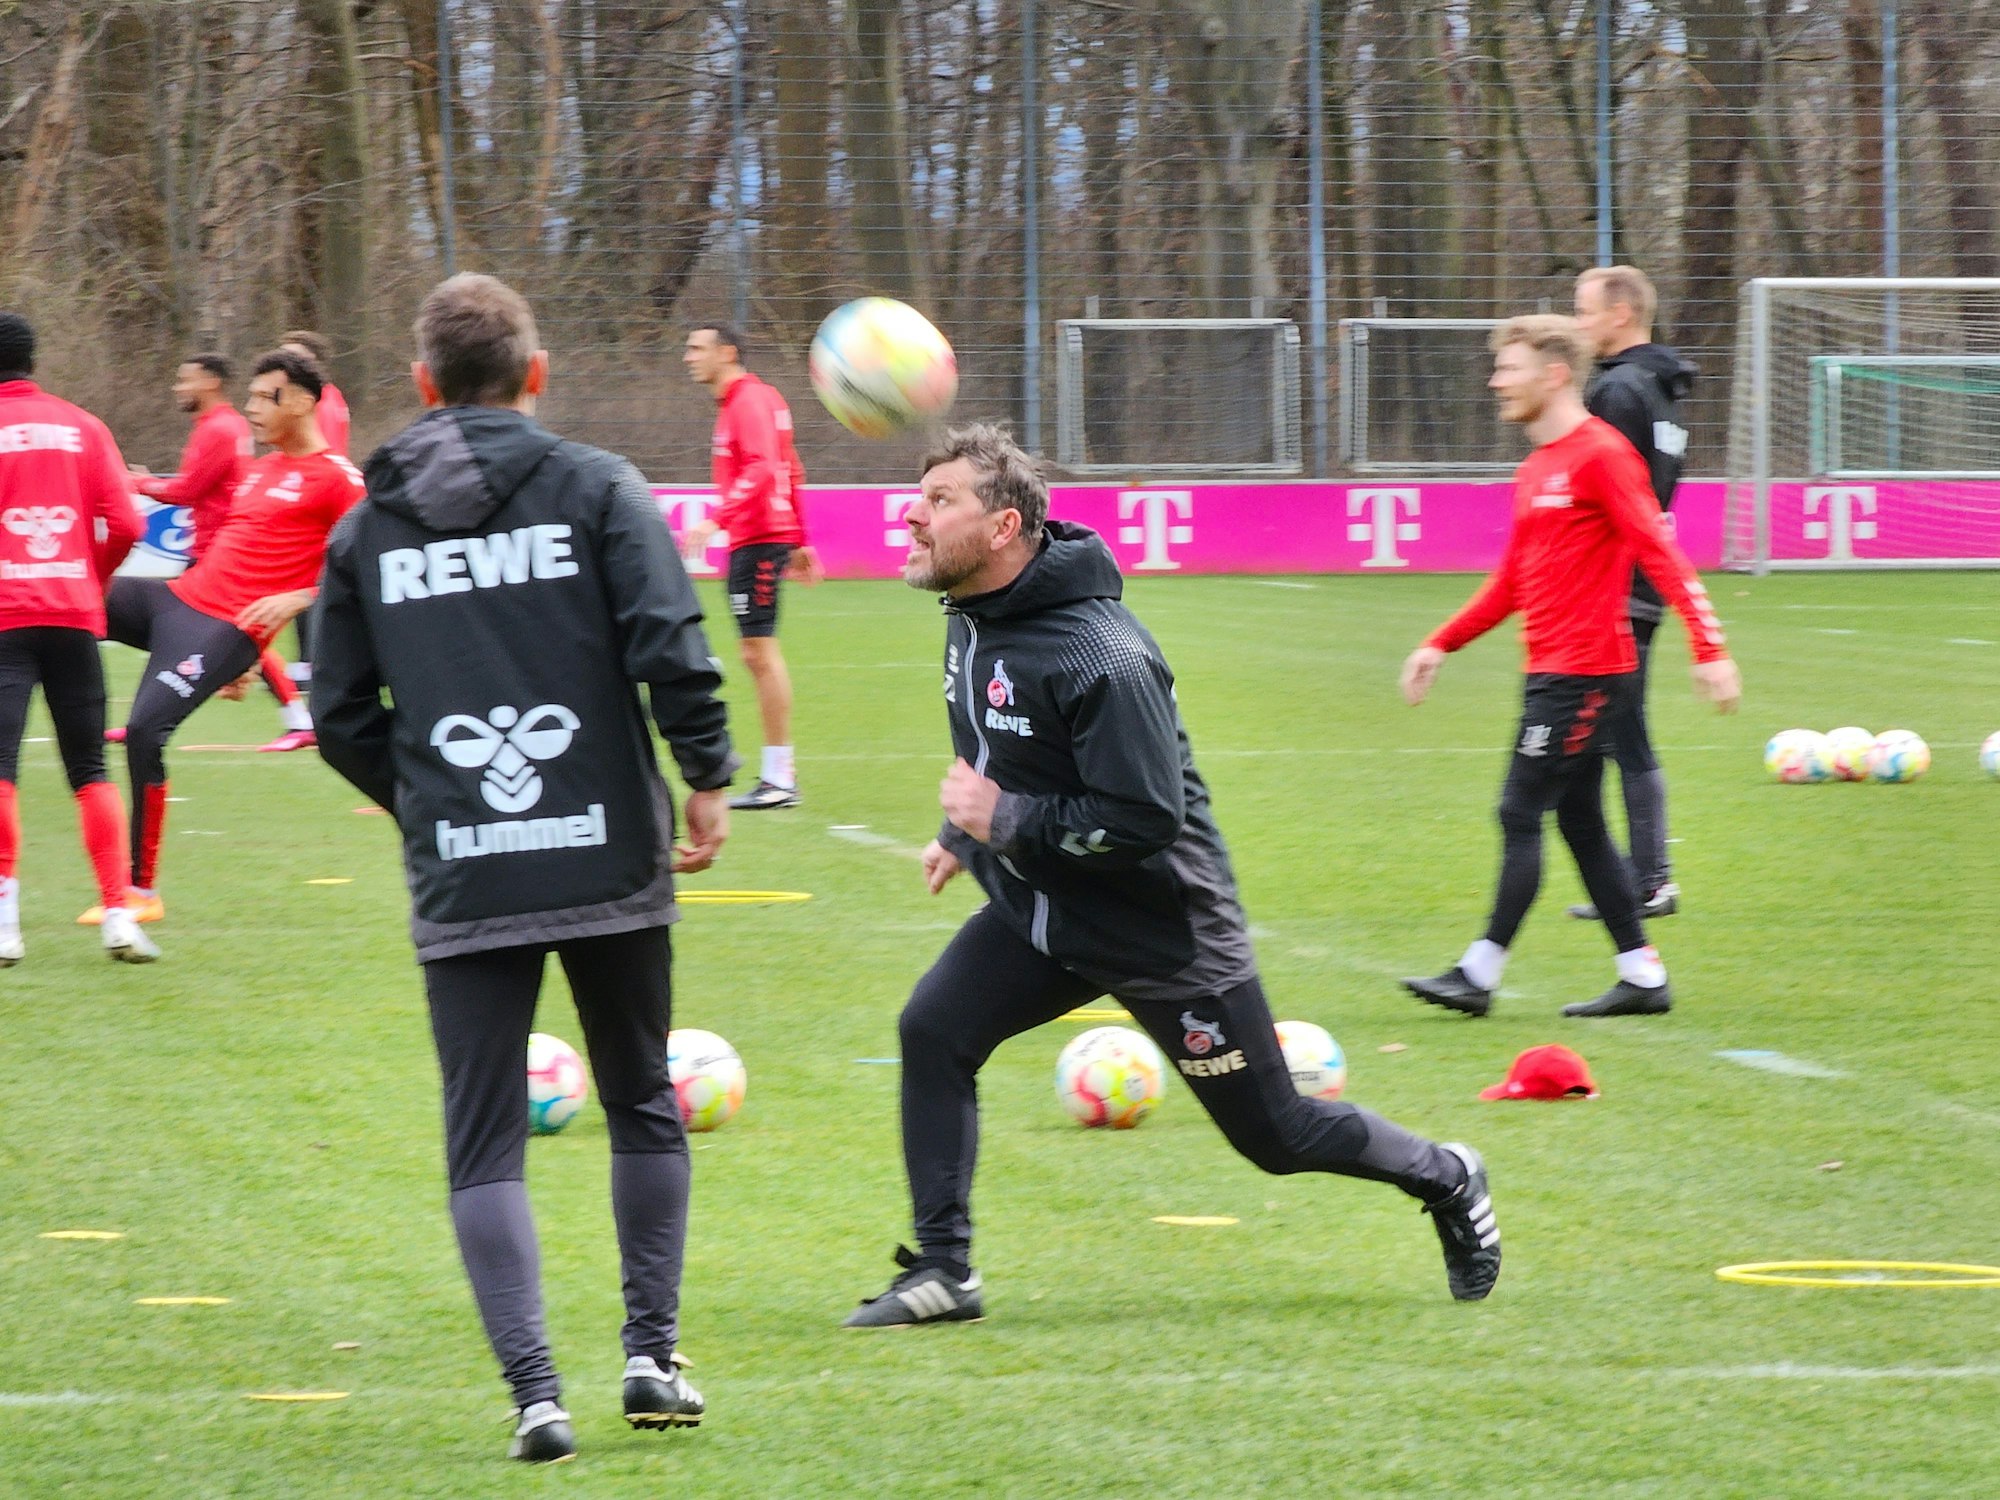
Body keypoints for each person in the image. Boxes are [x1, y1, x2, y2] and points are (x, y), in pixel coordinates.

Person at [841, 423, 1499, 1331]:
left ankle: (1448, 1174)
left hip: (1160, 925)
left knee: (1275, 1136)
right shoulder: (973, 616)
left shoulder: (1103, 653)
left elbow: (1148, 816)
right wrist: (963, 831)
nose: (911, 515)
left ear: (1002, 529)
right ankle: (945, 1269)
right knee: (934, 1029)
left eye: (939, 499)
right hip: (1047, 903)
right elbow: (1010, 753)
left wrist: (1004, 821)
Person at [313, 273, 736, 1464]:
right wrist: (704, 774)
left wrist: (428, 806)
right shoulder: (596, 487)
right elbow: (670, 641)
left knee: (483, 1141)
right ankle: (650, 1353)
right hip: (604, 847)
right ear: (535, 376)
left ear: (419, 385)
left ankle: (535, 1395)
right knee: (641, 1102)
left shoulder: (365, 525)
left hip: (467, 867)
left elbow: (336, 709)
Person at [1399, 315, 1740, 1021]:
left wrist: (1709, 649)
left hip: (1587, 673)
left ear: (1554, 374)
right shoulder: (1536, 469)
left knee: (1518, 808)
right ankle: (1642, 977)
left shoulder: (1603, 455)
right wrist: (1440, 643)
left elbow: (1660, 549)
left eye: (1510, 367)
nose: (1496, 380)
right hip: (1550, 670)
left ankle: (1478, 972)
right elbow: (1512, 583)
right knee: (1580, 820)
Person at [90, 350, 363, 926]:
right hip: (179, 600)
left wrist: (301, 599)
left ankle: (142, 893)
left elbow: (373, 568)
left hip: (222, 628)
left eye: (267, 397)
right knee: (77, 593)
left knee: (143, 733)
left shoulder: (338, 479)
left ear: (305, 401)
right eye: (253, 396)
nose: (252, 407)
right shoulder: (260, 471)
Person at [0, 312, 156, 963]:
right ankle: (118, 915)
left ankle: (5, 923)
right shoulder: (81, 425)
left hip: (5, 617)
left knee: (0, 767)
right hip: (71, 613)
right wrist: (91, 577)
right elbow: (126, 521)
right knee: (90, 768)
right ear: (34, 361)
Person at [1567, 265, 1696, 922]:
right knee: (1612, 733)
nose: (1578, 323)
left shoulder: (1619, 391)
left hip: (1616, 581)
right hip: (1640, 578)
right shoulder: (1663, 391)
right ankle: (1636, 879)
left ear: (1620, 314)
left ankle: (1648, 881)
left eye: (1585, 310)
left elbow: (1603, 491)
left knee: (1622, 733)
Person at [681, 321, 821, 810]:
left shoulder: (748, 402)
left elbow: (764, 468)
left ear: (728, 352)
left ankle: (780, 779)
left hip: (758, 538)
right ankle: (778, 776)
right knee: (755, 653)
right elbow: (791, 468)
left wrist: (713, 520)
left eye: (698, 348)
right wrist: (801, 539)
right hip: (761, 537)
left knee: (760, 653)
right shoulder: (748, 402)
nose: (688, 356)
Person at [271, 328, 348, 694]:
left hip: (320, 505)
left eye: (295, 358)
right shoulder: (326, 399)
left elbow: (321, 456)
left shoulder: (321, 403)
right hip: (320, 503)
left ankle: (314, 662)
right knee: (309, 583)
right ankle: (311, 661)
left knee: (310, 584)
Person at [127, 352, 252, 561]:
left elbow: (186, 490)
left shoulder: (217, 429)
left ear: (212, 382)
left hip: (213, 549)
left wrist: (140, 483)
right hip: (222, 545)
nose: (178, 388)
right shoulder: (233, 422)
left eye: (186, 381)